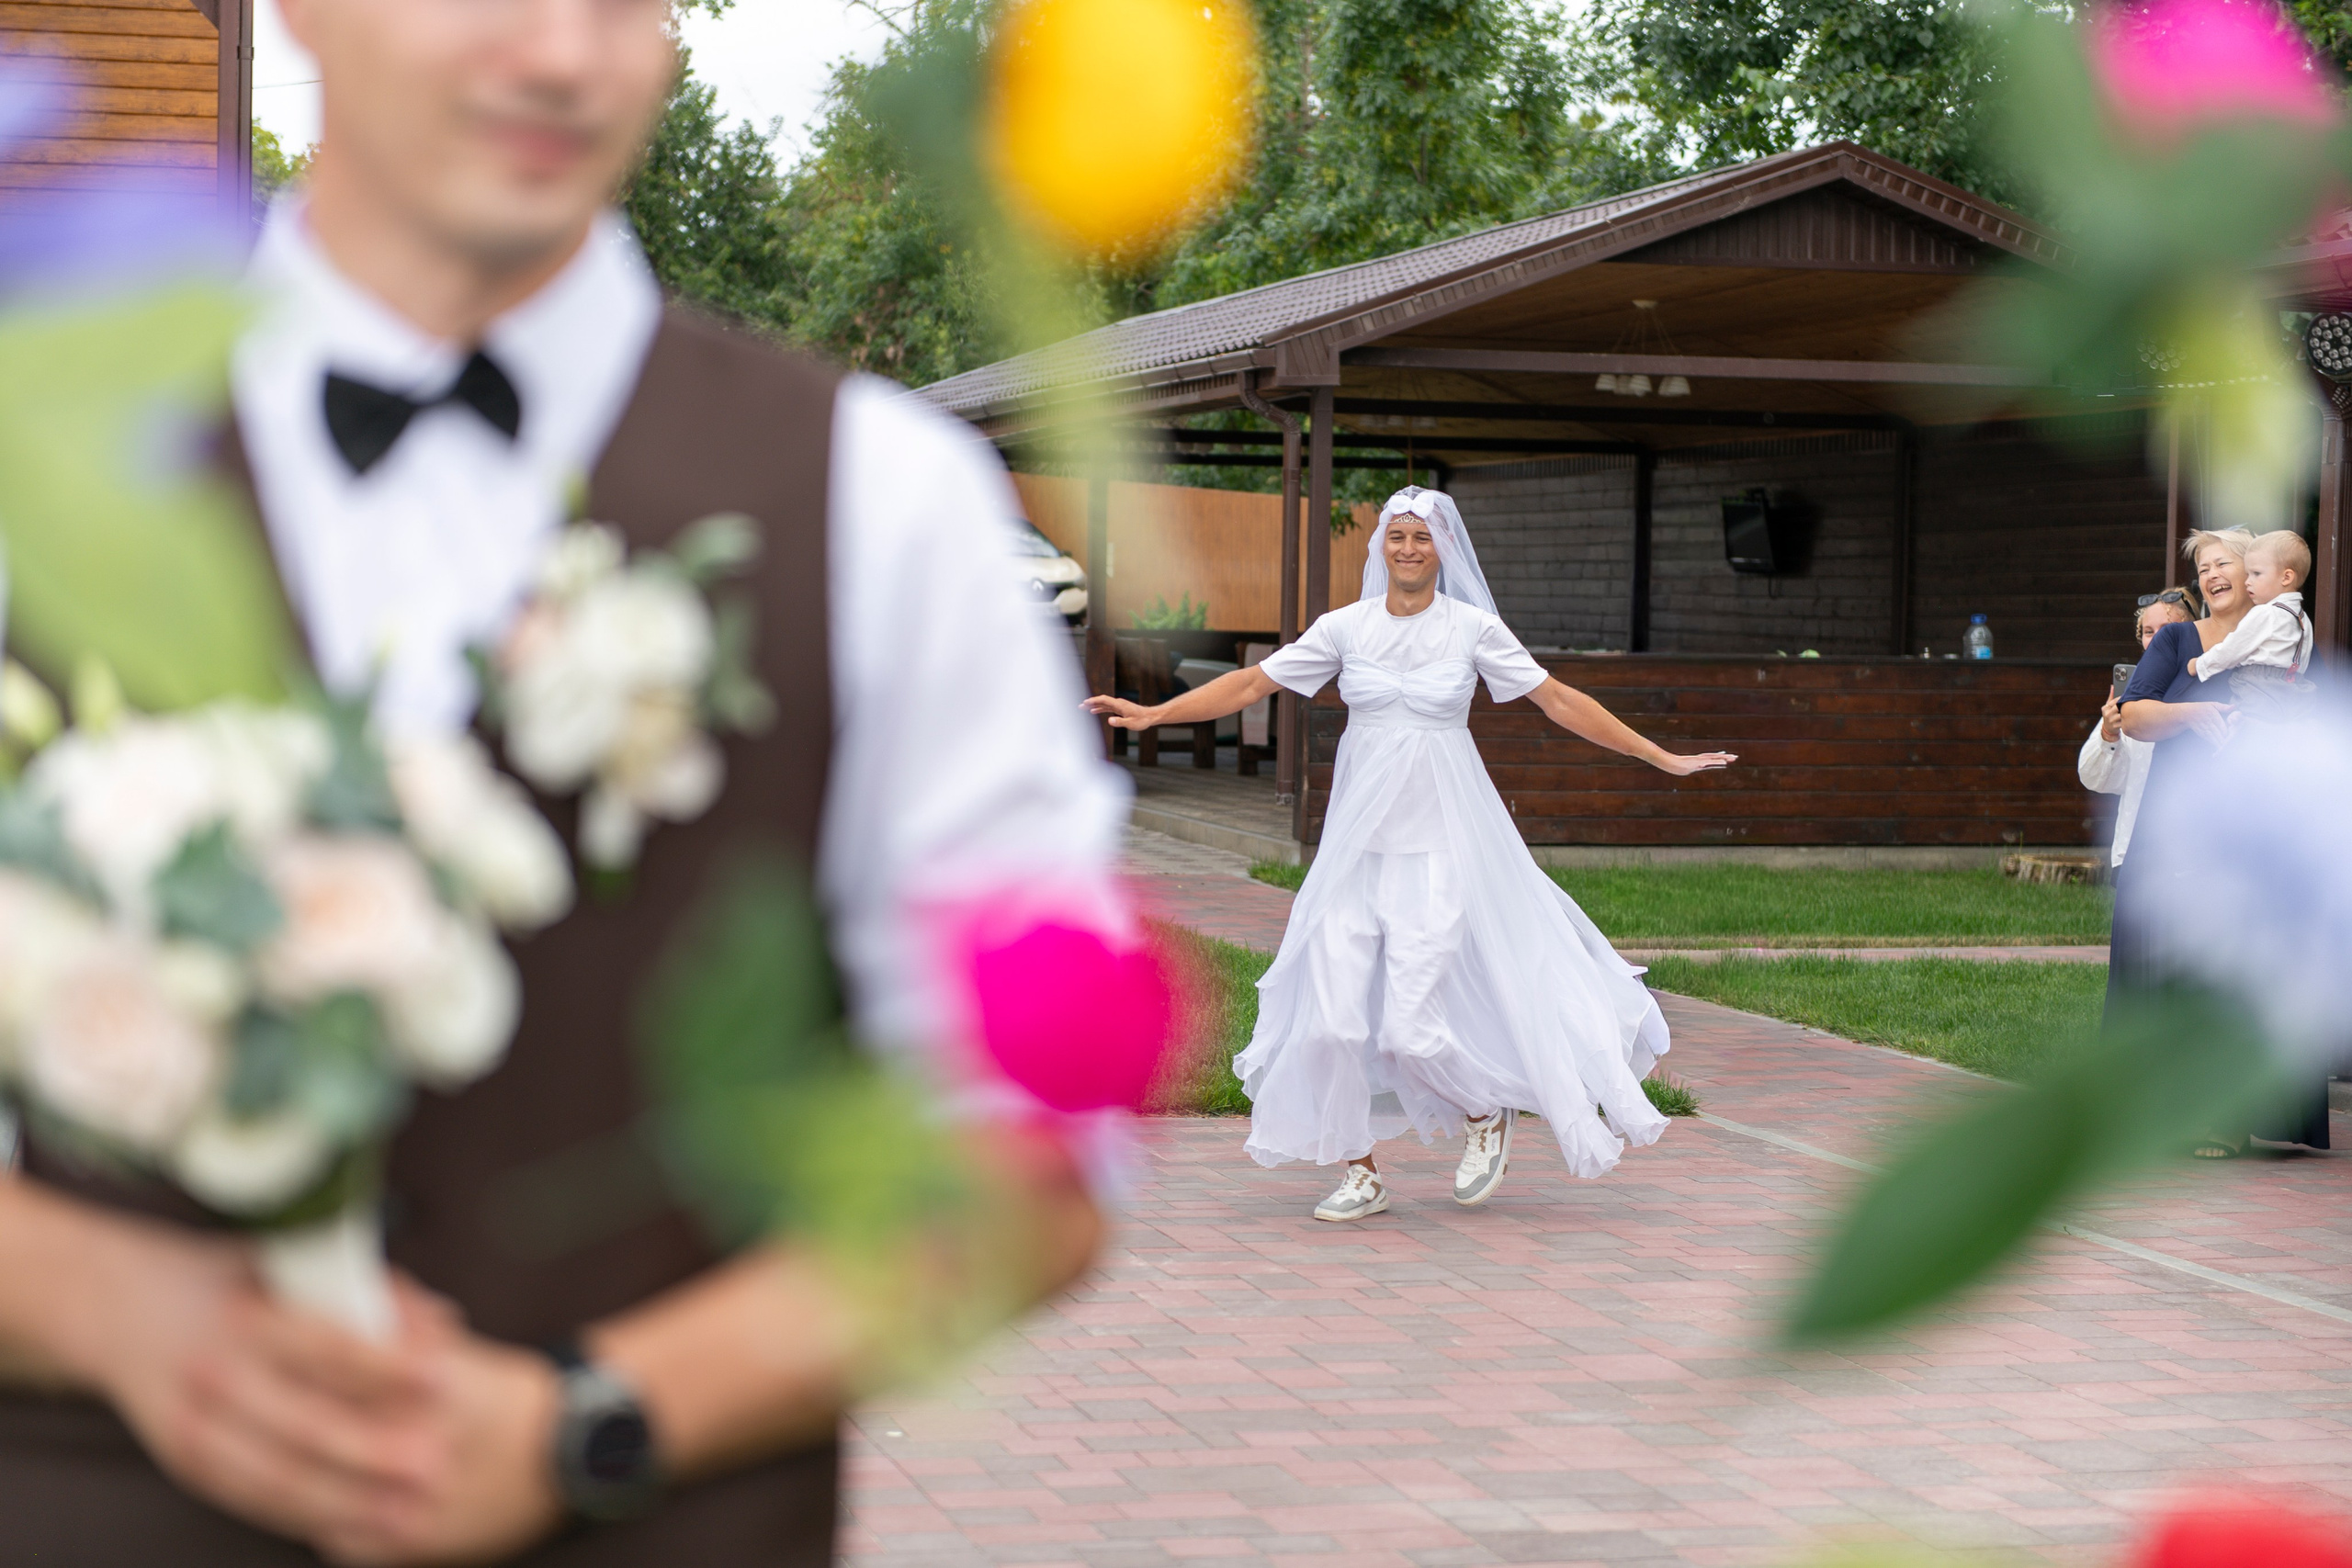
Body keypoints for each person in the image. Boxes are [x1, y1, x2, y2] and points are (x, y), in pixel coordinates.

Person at [0, 0, 1121, 1561]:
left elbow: (1035, 1151)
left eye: (621, 0)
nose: (559, 55)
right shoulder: (39, 449)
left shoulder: (888, 502)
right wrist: (117, 1307)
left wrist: (607, 1411)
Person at [1084, 488, 1735, 1221]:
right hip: (1355, 858)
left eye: (1422, 538)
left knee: (1409, 1029)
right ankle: (1359, 1170)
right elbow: (1249, 683)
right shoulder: (1345, 629)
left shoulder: (1473, 630)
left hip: (1440, 856)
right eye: (1397, 536)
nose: (1408, 549)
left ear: (1444, 549)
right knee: (1329, 1022)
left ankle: (1484, 1110)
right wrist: (1155, 713)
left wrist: (1658, 755)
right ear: (1380, 546)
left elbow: (1558, 700)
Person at [2120, 528, 2329, 1158]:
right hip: (2179, 826)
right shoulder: (2181, 639)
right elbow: (2132, 712)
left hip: (2257, 823)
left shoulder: (2283, 635)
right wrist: (2194, 716)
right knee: (2177, 970)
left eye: (2225, 564)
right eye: (2203, 567)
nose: (2211, 575)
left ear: (2259, 574)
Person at [2079, 590, 2196, 871]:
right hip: (2135, 853)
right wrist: (2109, 734)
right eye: (2148, 631)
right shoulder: (2134, 695)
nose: (2157, 639)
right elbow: (2098, 780)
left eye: (2168, 630)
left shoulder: (2212, 682)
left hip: (2196, 858)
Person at [2188, 530, 2316, 721]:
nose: (2248, 581)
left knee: (2247, 725)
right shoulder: (2302, 619)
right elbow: (2302, 659)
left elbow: (2233, 648)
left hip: (2257, 684)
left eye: (2256, 574)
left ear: (2286, 577)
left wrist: (2201, 664)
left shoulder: (2265, 613)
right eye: (2248, 574)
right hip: (2293, 686)